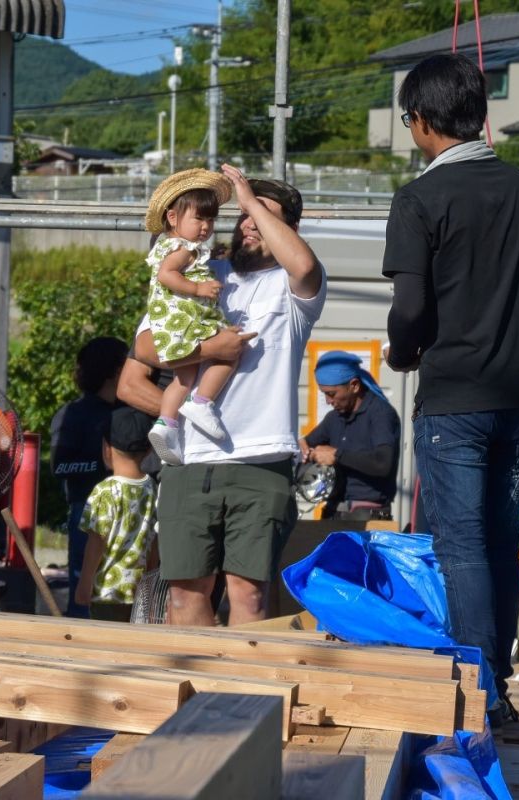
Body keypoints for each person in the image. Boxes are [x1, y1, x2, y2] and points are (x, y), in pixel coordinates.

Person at [381, 54, 519, 722]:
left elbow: (409, 311)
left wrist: (403, 353)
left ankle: (479, 692)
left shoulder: (420, 198)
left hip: (455, 394)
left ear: (423, 122)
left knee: (461, 547)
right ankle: (498, 685)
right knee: (498, 539)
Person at [130, 164, 325, 627]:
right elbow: (144, 347)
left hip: (262, 461)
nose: (248, 223)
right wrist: (209, 348)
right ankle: (197, 697)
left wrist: (251, 197)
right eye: (241, 215)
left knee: (249, 597)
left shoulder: (296, 288)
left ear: (289, 230)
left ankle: (245, 698)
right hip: (189, 461)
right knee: (184, 596)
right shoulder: (200, 270)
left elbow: (304, 265)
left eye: (261, 216)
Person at [143, 168, 238, 465]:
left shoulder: (166, 244)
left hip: (170, 323)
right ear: (173, 218)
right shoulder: (184, 249)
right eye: (199, 218)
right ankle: (202, 402)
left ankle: (166, 424)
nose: (206, 227)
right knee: (229, 351)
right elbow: (167, 274)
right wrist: (198, 286)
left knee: (181, 380)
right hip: (186, 318)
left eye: (211, 220)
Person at [50, 336, 129, 618]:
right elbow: (60, 467)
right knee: (85, 599)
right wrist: (105, 466)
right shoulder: (73, 414)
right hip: (89, 511)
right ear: (114, 371)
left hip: (130, 510)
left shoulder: (128, 412)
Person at [74, 405, 158, 622]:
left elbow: (96, 542)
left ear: (106, 449)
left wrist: (84, 584)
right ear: (149, 450)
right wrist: (150, 585)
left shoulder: (105, 491)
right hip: (139, 592)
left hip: (107, 592)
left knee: (106, 647)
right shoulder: (153, 488)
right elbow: (155, 543)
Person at [299, 350, 401, 521]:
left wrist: (337, 455)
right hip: (333, 512)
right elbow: (306, 445)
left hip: (368, 515)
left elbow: (383, 463)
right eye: (324, 394)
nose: (328, 401)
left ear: (354, 385)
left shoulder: (380, 414)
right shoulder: (334, 418)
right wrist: (302, 448)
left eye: (332, 394)